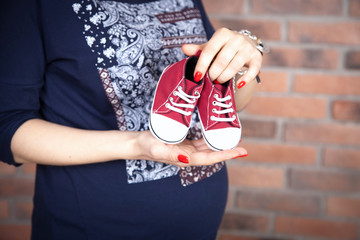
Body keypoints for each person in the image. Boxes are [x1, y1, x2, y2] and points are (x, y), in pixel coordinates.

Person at [0, 0, 262, 239]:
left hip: (199, 226)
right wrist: (135, 144)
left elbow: (234, 102)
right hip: (94, 226)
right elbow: (7, 127)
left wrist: (242, 61)